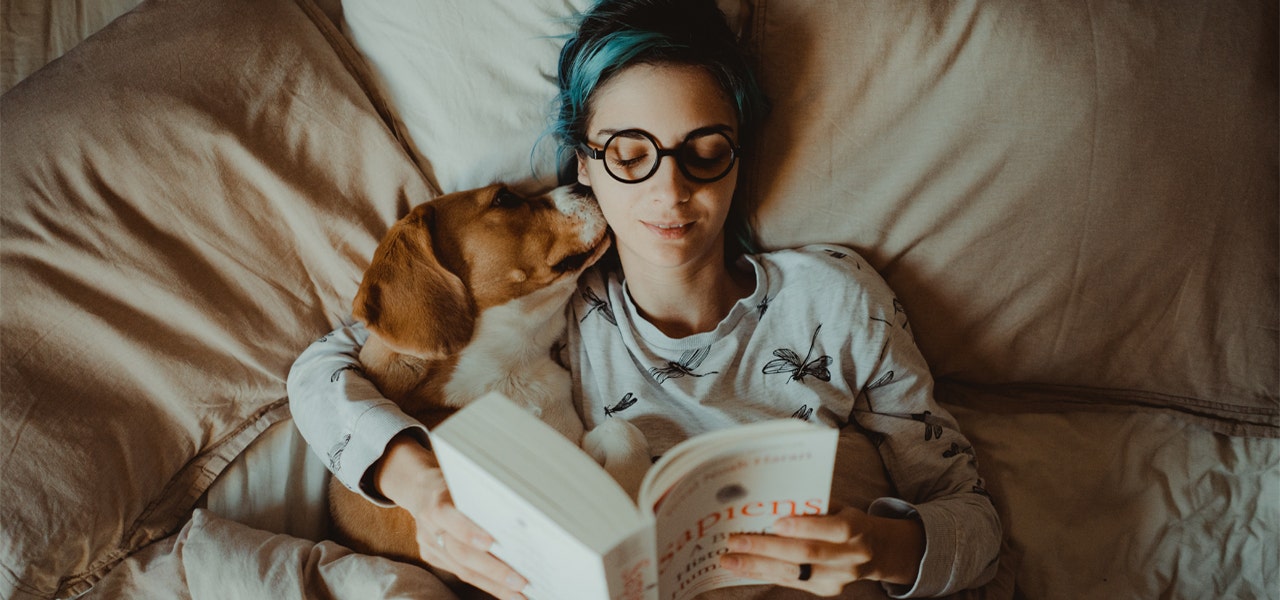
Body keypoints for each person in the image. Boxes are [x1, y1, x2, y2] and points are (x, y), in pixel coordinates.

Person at [287, 0, 1001, 598]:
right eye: (631, 154)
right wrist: (420, 489)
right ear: (585, 167)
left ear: (739, 157)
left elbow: (974, 518)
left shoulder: (837, 299)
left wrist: (886, 546)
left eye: (705, 150)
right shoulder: (555, 307)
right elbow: (323, 371)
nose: (670, 190)